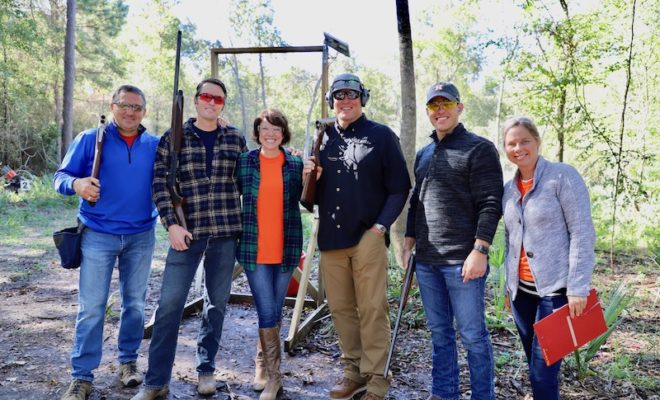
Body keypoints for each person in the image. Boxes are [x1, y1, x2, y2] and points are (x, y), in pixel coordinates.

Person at [132, 78, 247, 400]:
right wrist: (171, 224)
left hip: (225, 233)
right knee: (169, 306)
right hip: (186, 233)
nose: (212, 102)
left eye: (218, 99)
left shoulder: (235, 137)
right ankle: (156, 382)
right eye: (206, 96)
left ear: (223, 104)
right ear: (196, 100)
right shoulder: (175, 137)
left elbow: (248, 180)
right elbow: (159, 184)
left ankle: (206, 370)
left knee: (217, 305)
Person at [303, 73, 411, 400]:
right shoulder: (321, 138)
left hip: (368, 236)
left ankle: (378, 377)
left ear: (362, 98)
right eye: (339, 96)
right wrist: (309, 178)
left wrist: (379, 228)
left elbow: (400, 188)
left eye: (351, 95)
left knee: (372, 308)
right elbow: (308, 200)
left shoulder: (381, 136)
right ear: (331, 101)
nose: (345, 101)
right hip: (331, 238)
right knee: (340, 308)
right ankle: (354, 370)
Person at [54, 85, 159, 400]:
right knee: (92, 308)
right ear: (112, 106)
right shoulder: (90, 139)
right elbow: (59, 178)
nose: (130, 112)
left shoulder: (154, 144)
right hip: (98, 234)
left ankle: (128, 363)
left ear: (144, 112)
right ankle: (82, 377)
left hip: (142, 234)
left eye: (137, 107)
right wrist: (78, 183)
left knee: (136, 305)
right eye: (124, 105)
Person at [403, 82, 503, 400]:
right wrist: (408, 243)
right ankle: (444, 393)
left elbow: (491, 202)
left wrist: (480, 249)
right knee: (440, 334)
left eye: (446, 103)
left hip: (463, 261)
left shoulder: (479, 148)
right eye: (434, 105)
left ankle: (482, 396)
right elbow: (416, 201)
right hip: (428, 260)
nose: (440, 110)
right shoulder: (424, 153)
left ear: (460, 107)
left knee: (473, 335)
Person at [502, 116, 596, 400]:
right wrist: (509, 286)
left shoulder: (562, 176)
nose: (518, 148)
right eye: (511, 143)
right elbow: (509, 240)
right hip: (522, 295)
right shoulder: (508, 189)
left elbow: (582, 232)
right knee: (535, 368)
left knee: (544, 369)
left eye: (524, 141)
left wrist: (578, 287)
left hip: (555, 293)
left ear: (538, 142)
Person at [236, 109, 303, 400]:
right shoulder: (245, 162)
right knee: (267, 310)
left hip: (286, 248)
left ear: (283, 132)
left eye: (275, 128)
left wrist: (313, 170)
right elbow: (231, 193)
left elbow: (309, 196)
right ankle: (274, 379)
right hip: (254, 249)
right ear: (257, 132)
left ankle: (262, 363)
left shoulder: (296, 164)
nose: (270, 133)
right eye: (264, 128)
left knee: (275, 311)